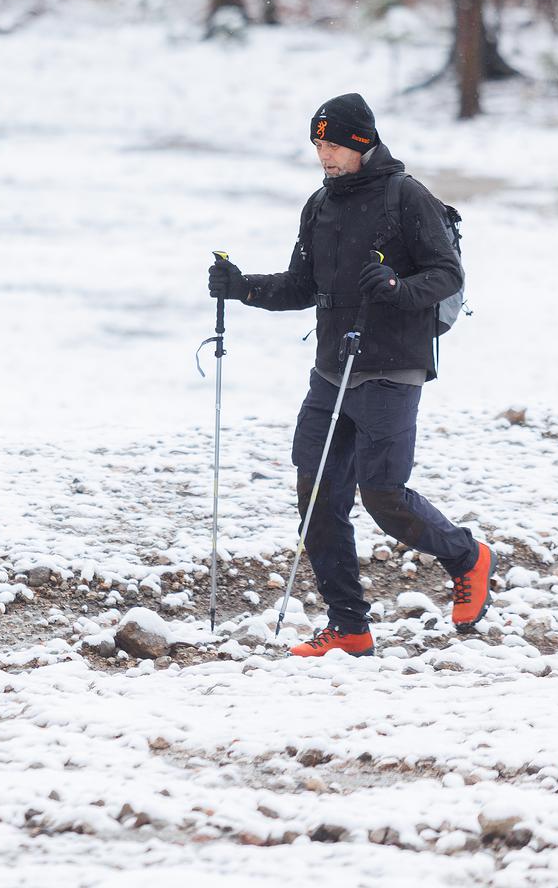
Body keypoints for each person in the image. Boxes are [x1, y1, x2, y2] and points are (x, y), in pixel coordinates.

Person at [207, 93, 493, 659]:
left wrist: (396, 289)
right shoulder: (320, 206)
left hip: (393, 368)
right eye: (317, 144)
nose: (324, 155)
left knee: (383, 495)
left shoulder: (406, 197)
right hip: (331, 371)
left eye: (332, 143)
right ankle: (349, 627)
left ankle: (466, 557)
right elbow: (299, 286)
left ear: (361, 143)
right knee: (316, 499)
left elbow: (445, 274)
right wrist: (241, 287)